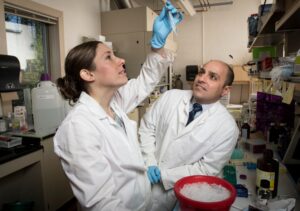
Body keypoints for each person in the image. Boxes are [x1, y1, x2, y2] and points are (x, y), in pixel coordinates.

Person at [53, 2, 183, 210]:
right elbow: (101, 203)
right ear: (88, 74)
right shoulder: (78, 128)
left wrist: (157, 44)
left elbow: (146, 80)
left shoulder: (115, 103)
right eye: (108, 57)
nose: (121, 60)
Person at [139, 60, 239, 211]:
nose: (202, 78)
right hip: (143, 176)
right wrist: (149, 161)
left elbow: (206, 169)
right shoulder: (170, 97)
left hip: (176, 192)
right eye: (201, 72)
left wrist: (164, 175)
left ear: (225, 90)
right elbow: (147, 127)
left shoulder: (227, 127)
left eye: (213, 77)